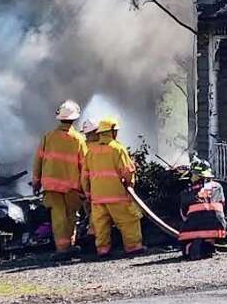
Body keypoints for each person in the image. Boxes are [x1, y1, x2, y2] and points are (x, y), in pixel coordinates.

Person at [82, 116, 145, 257]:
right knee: (129, 220)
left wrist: (88, 193)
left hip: (97, 197)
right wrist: (130, 184)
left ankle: (103, 250)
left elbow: (84, 176)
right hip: (117, 195)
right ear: (112, 132)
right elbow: (127, 170)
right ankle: (133, 247)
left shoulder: (91, 152)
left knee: (101, 225)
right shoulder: (117, 148)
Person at [33, 100, 88, 256]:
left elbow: (38, 161)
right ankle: (68, 246)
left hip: (51, 186)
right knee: (71, 217)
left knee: (58, 217)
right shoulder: (78, 140)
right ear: (74, 119)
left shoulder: (48, 137)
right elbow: (85, 166)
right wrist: (86, 188)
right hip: (71, 187)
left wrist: (36, 182)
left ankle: (62, 248)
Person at [178, 159, 227, 260]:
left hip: (191, 229)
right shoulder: (218, 187)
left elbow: (183, 213)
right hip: (217, 228)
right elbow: (221, 208)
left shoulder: (185, 192)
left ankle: (191, 247)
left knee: (187, 240)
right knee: (216, 219)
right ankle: (209, 244)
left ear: (195, 175)